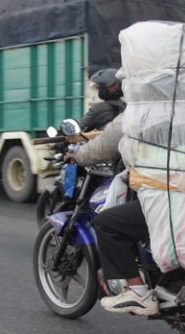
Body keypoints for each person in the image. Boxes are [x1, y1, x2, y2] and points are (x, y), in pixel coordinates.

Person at [68, 69, 159, 316]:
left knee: (107, 223)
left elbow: (103, 146)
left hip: (165, 197)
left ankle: (138, 292)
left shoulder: (138, 113)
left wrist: (78, 156)